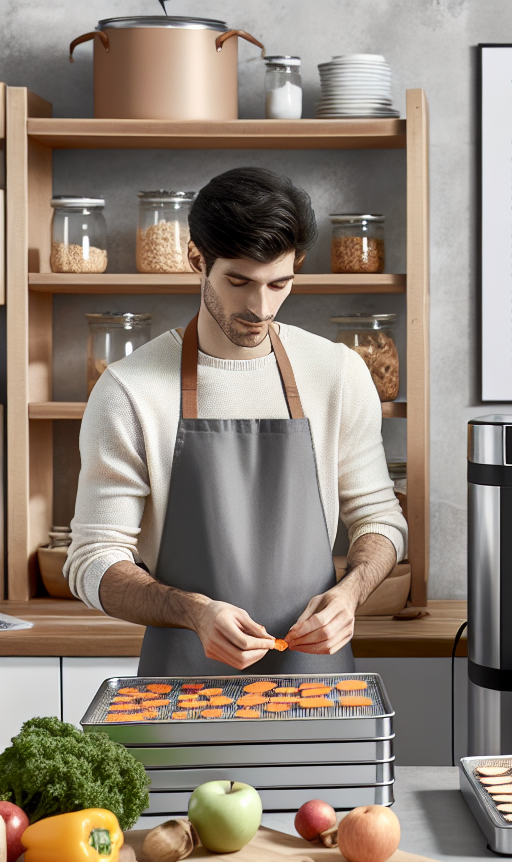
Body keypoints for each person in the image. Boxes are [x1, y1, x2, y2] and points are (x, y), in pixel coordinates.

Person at [66, 167, 407, 675]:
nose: (259, 307)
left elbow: (380, 518)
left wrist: (350, 593)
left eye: (279, 284)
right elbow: (91, 561)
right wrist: (194, 612)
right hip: (183, 688)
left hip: (315, 682)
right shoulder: (129, 390)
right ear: (196, 258)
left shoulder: (336, 372)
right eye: (239, 281)